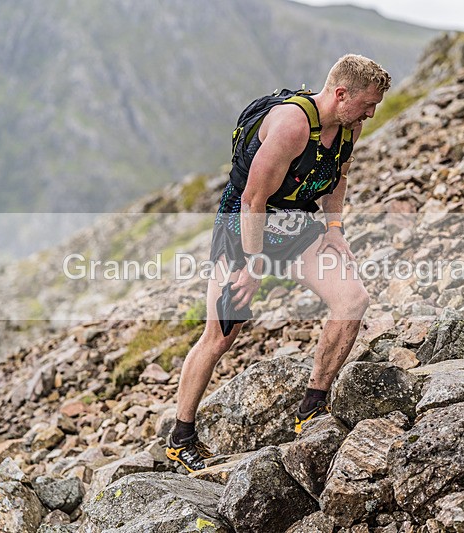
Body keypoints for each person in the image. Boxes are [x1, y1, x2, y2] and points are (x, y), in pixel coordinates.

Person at [166, 54, 391, 472]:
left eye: (374, 106)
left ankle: (311, 408)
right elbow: (252, 201)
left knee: (353, 299)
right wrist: (253, 267)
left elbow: (338, 176)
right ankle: (181, 438)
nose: (371, 113)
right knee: (221, 334)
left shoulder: (348, 126)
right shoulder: (291, 126)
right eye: (367, 104)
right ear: (340, 93)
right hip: (243, 227)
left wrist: (335, 226)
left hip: (294, 222)